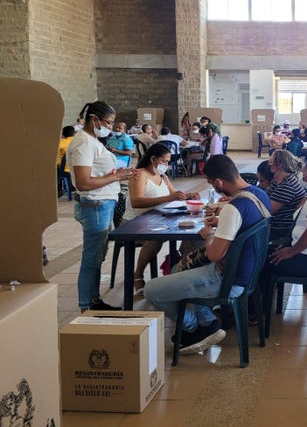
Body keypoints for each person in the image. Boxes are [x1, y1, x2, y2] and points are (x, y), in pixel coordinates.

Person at [144, 155, 271, 354]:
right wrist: (222, 222)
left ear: (218, 182)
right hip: (250, 273)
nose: (213, 187)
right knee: (177, 269)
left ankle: (194, 328)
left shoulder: (234, 207)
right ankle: (207, 323)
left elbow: (213, 255)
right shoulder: (259, 194)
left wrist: (209, 235)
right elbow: (245, 225)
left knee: (151, 290)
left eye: (211, 183)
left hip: (229, 280)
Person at [67, 101, 140, 311]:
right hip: (94, 205)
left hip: (103, 203)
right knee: (91, 259)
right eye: (108, 123)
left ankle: (94, 300)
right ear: (94, 119)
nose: (110, 127)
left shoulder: (92, 140)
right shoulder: (83, 143)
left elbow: (98, 172)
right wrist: (117, 176)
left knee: (98, 256)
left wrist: (121, 174)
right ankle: (86, 306)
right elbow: (83, 182)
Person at [122, 143, 200, 296]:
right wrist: (169, 198)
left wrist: (187, 196)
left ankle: (179, 270)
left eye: (168, 162)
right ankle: (138, 275)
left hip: (156, 218)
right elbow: (136, 201)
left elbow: (174, 194)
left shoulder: (162, 176)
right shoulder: (140, 174)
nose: (166, 165)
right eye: (164, 161)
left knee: (185, 229)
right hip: (134, 221)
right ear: (153, 159)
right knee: (155, 238)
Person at [267, 150, 307, 242]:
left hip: (281, 228)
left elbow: (267, 210)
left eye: (271, 161)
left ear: (280, 165)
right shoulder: (281, 179)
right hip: (277, 224)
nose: (269, 163)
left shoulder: (287, 186)